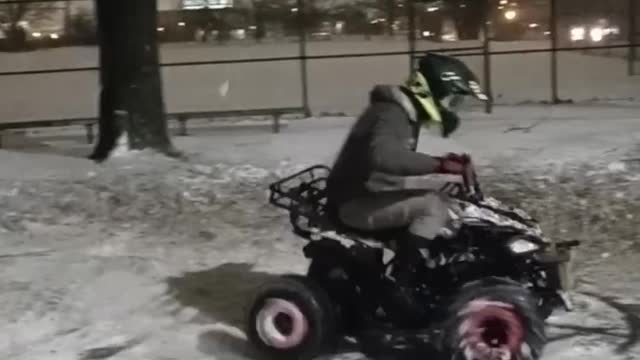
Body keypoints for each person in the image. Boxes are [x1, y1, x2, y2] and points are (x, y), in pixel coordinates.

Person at [326, 52, 489, 286]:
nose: (453, 110)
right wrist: (439, 165)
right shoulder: (391, 114)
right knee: (433, 207)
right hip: (354, 203)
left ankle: (429, 273)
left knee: (445, 203)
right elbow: (384, 156)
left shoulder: (399, 113)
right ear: (434, 92)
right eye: (452, 101)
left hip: (366, 196)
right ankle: (401, 281)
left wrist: (445, 164)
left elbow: (396, 160)